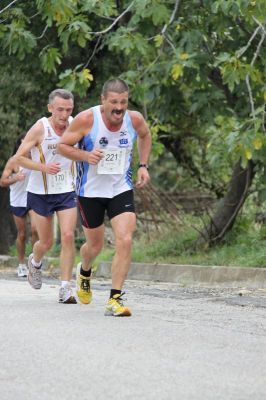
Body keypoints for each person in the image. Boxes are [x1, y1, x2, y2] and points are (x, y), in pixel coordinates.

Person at [58, 78, 152, 316]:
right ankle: (85, 270)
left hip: (120, 187)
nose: (119, 108)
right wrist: (85, 155)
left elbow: (145, 135)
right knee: (95, 245)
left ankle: (115, 299)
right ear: (103, 101)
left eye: (123, 102)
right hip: (90, 191)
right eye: (114, 102)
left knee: (125, 239)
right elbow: (62, 147)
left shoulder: (134, 119)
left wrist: (143, 165)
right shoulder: (87, 119)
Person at [14, 89, 78, 304]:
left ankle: (65, 288)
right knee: (47, 242)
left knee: (68, 235)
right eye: (60, 109)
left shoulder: (76, 124)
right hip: (40, 192)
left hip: (66, 190)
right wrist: (42, 166)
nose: (64, 114)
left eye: (68, 109)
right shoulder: (40, 128)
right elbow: (19, 158)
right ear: (50, 108)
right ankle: (36, 260)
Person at [0, 134, 38, 277]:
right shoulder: (14, 161)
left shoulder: (36, 159)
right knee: (22, 234)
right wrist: (15, 178)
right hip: (17, 200)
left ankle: (34, 262)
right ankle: (21, 264)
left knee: (35, 229)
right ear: (19, 146)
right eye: (23, 145)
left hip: (33, 198)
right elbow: (2, 181)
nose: (27, 148)